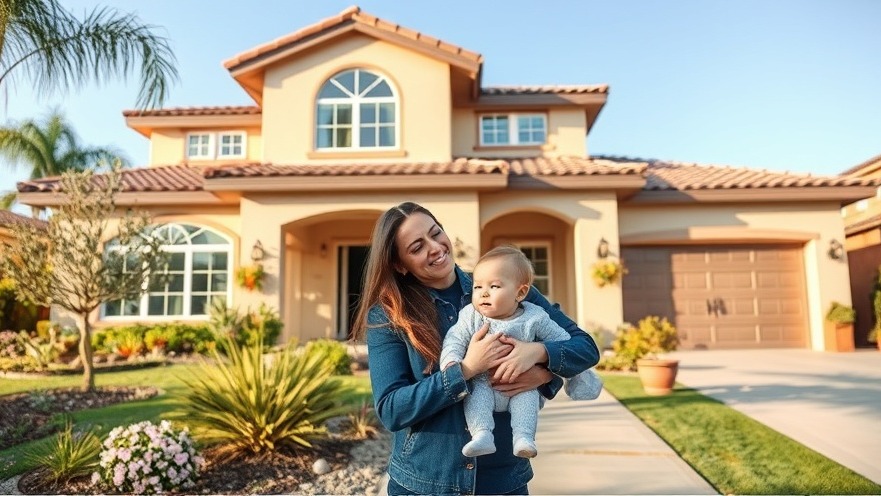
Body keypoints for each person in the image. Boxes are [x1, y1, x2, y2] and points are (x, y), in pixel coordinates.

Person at [352, 202, 600, 496]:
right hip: (424, 483)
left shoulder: (506, 285)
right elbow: (392, 409)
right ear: (399, 264)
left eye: (436, 233)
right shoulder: (389, 315)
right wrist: (467, 369)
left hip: (503, 478)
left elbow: (585, 348)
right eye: (417, 247)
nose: (435, 247)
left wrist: (539, 359)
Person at [440, 245, 602, 459]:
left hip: (521, 385)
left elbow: (564, 341)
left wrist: (548, 359)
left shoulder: (535, 316)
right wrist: (453, 363)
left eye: (494, 286)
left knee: (527, 399)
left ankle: (524, 438)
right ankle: (482, 434)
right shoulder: (471, 315)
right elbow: (455, 339)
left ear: (521, 292)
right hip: (483, 381)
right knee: (476, 396)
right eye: (477, 287)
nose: (483, 293)